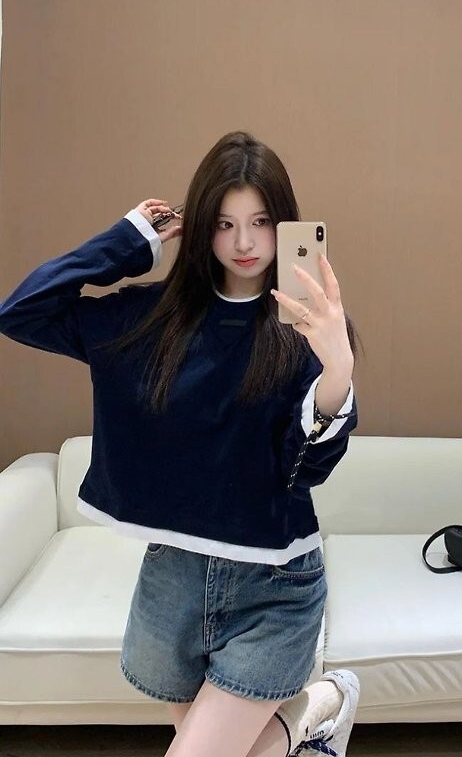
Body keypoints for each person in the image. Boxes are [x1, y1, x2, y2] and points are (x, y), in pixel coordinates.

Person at [0, 132, 360, 757]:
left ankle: (315, 712)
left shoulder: (309, 330)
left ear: (286, 225)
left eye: (260, 222)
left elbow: (305, 471)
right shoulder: (150, 320)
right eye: (224, 223)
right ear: (200, 229)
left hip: (275, 585)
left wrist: (338, 372)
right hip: (173, 581)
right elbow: (21, 312)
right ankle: (317, 713)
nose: (244, 243)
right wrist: (127, 240)